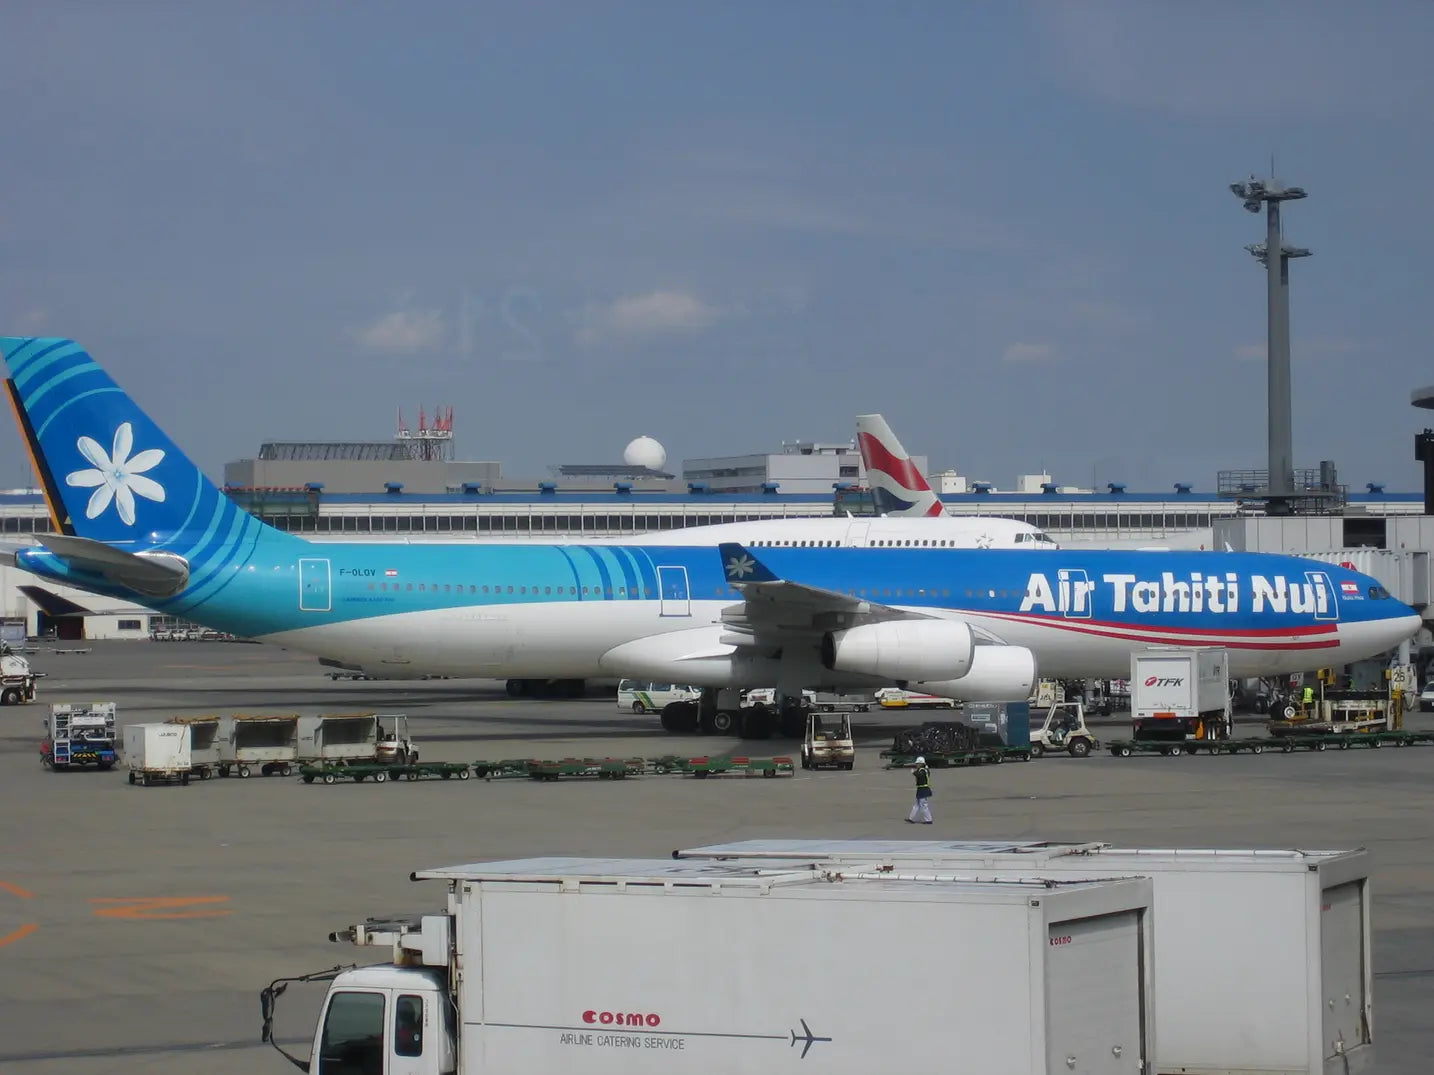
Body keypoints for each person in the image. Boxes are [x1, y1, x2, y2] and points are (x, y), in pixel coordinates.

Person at [906, 756, 933, 824]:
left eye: (918, 763)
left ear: (921, 764)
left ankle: (928, 820)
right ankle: (911, 818)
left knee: (923, 805)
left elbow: (920, 775)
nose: (916, 765)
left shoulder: (923, 771)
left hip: (923, 789)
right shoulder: (924, 769)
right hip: (921, 789)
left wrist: (913, 773)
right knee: (917, 805)